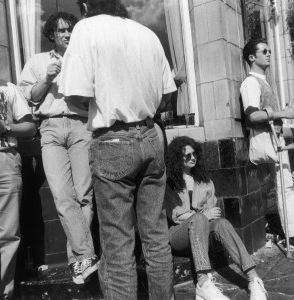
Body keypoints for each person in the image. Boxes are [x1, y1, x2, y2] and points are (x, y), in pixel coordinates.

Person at [59, 1, 177, 299]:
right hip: (151, 136)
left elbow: (75, 94)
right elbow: (167, 94)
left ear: (86, 5)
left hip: (112, 139)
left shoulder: (87, 28)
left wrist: (107, 101)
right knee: (155, 238)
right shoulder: (146, 33)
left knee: (118, 246)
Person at [18, 12, 98, 285]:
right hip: (50, 129)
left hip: (79, 126)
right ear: (52, 34)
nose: (66, 34)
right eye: (61, 31)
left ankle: (78, 261)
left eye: (70, 30)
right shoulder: (38, 61)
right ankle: (85, 256)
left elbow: (97, 96)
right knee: (64, 197)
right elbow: (29, 98)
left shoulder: (85, 58)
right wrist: (47, 78)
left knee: (84, 195)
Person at [240, 39, 294, 252]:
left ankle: (291, 232)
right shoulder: (250, 82)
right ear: (252, 57)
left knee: (283, 186)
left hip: (276, 140)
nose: (269, 54)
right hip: (267, 141)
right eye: (264, 51)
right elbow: (252, 115)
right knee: (282, 187)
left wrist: (282, 112)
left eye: (269, 50)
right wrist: (282, 113)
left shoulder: (264, 82)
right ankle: (293, 235)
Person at [164, 136, 267, 300]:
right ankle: (204, 284)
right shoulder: (169, 183)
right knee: (198, 219)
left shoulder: (205, 182)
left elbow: (214, 212)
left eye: (195, 154)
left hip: (203, 233)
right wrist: (202, 215)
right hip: (178, 236)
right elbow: (176, 216)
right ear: (177, 158)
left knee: (222, 223)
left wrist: (204, 215)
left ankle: (254, 279)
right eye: (187, 155)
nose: (193, 158)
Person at [0, 31, 37, 300]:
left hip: (5, 160)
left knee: (8, 236)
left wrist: (6, 127)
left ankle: (3, 296)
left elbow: (30, 127)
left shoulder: (7, 87)